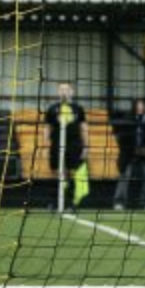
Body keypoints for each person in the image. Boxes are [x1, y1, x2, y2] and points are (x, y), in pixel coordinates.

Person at [44, 81, 90, 210]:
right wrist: (45, 146)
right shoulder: (52, 109)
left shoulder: (78, 109)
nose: (64, 92)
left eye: (67, 89)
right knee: (56, 173)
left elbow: (84, 128)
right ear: (58, 92)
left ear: (72, 92)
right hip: (56, 144)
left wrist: (86, 147)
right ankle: (54, 202)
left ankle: (70, 203)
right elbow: (47, 128)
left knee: (71, 173)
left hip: (74, 145)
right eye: (62, 89)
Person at [112, 97, 145, 211]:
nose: (140, 107)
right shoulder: (127, 119)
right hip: (128, 153)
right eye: (138, 105)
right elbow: (121, 138)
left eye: (142, 105)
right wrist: (133, 149)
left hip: (144, 154)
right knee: (124, 175)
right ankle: (119, 202)